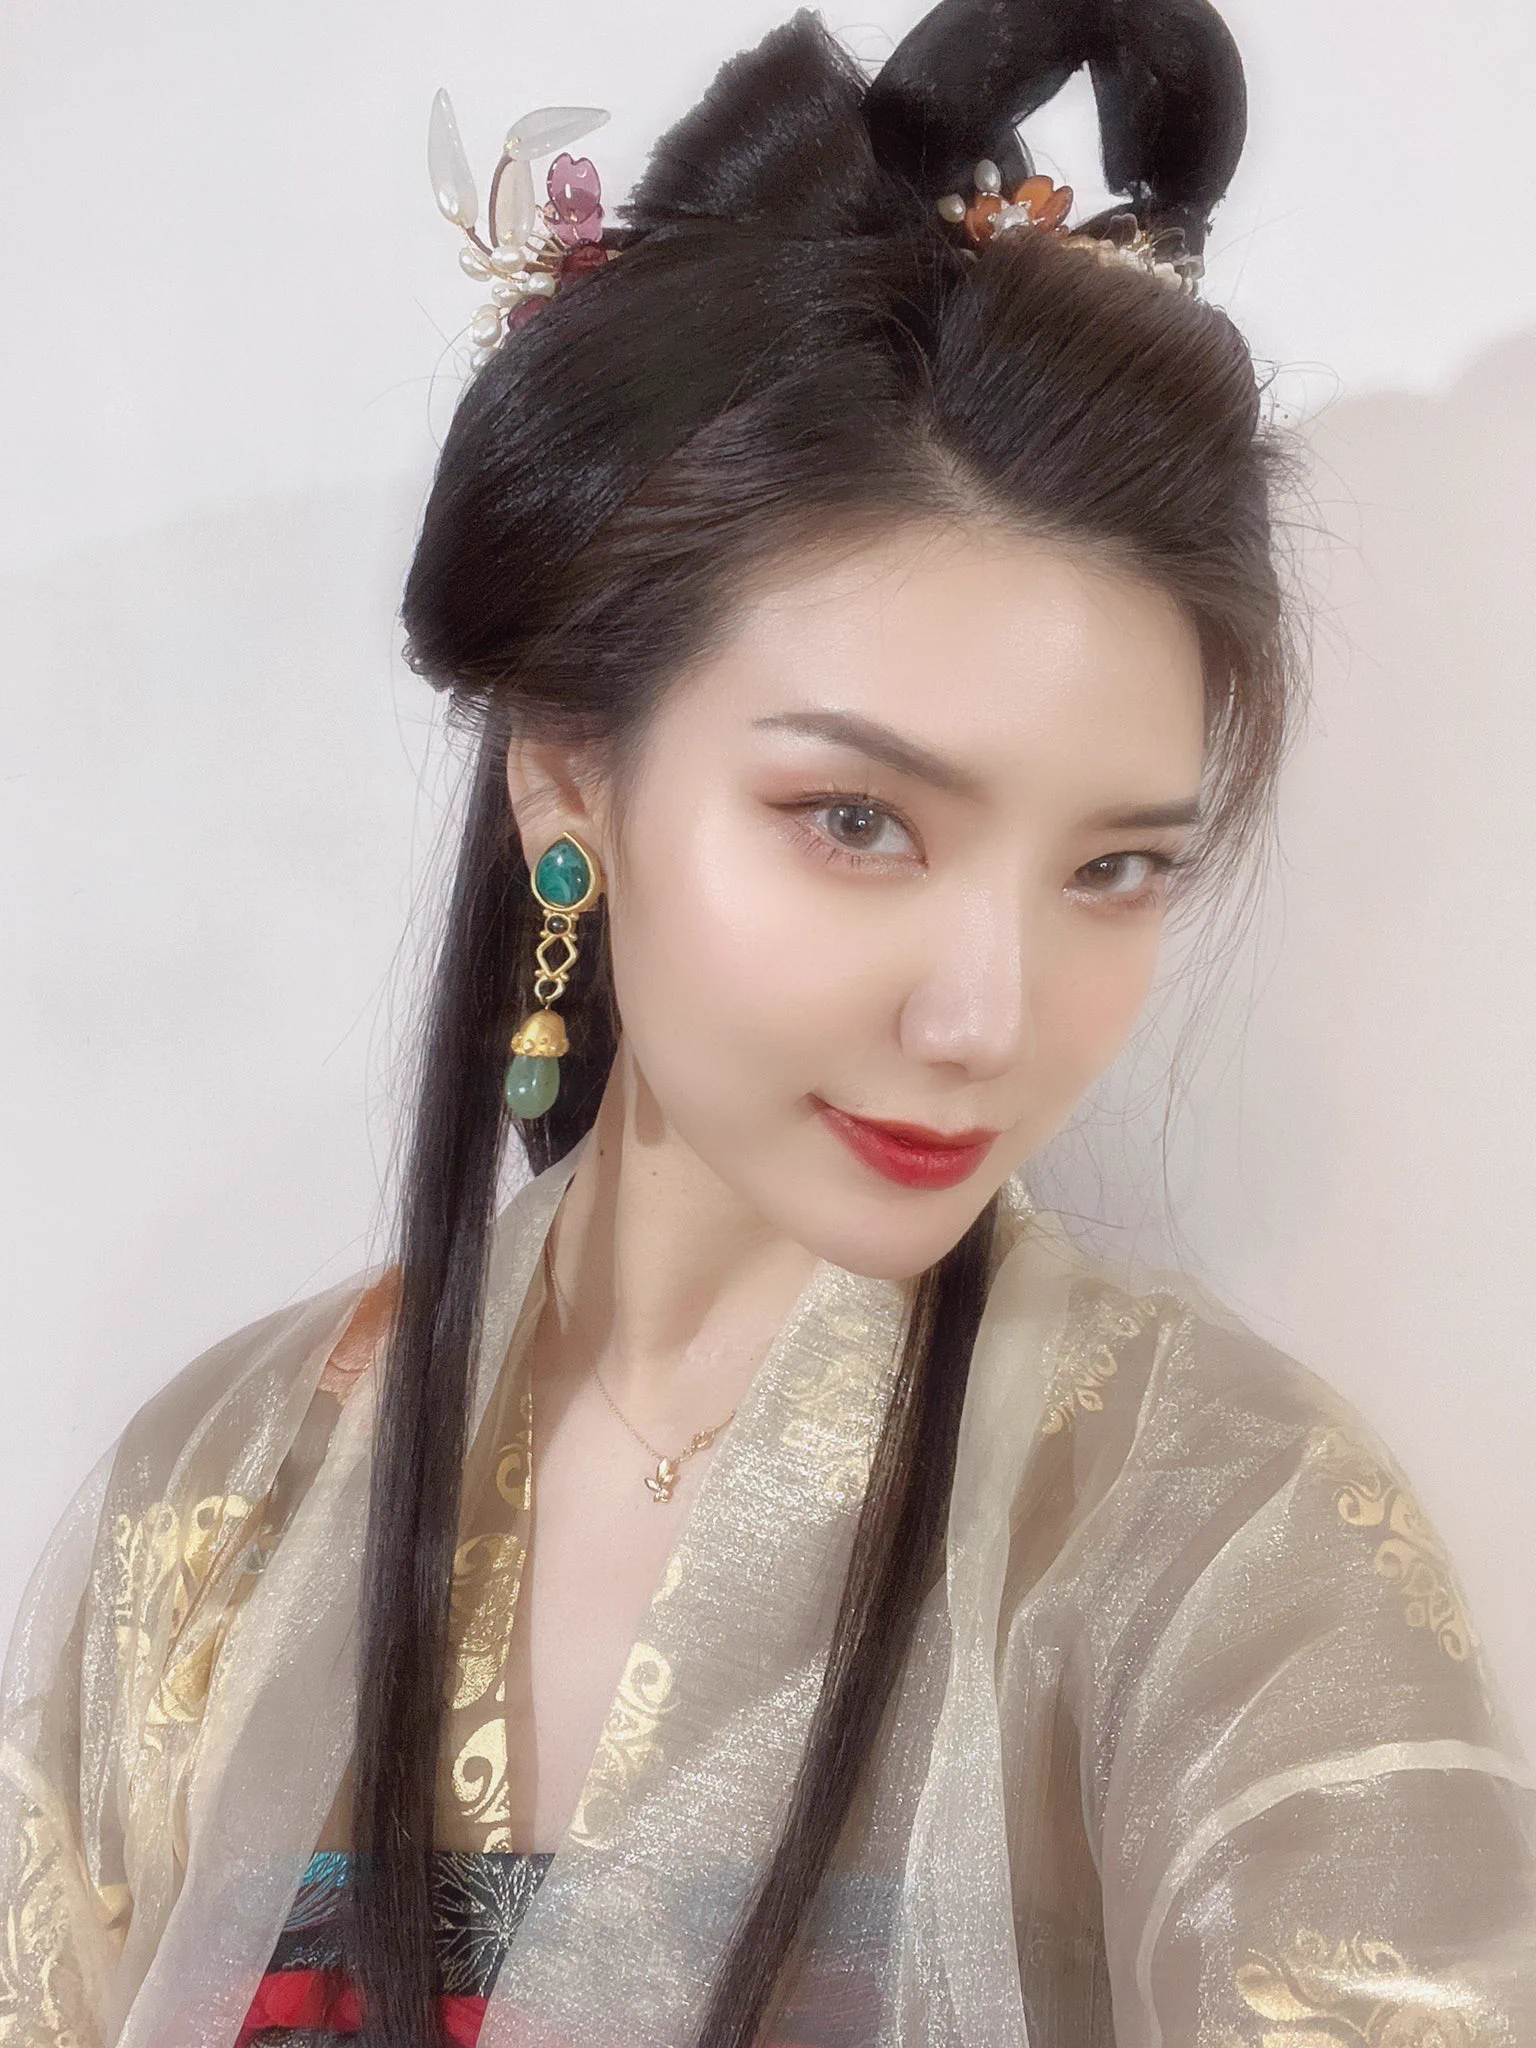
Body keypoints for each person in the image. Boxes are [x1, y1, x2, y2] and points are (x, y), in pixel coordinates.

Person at [4, 0, 1534, 2042]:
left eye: (1112, 866)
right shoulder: (228, 1502)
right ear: (569, 782)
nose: (989, 1017)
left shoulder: (1218, 1545)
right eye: (857, 820)